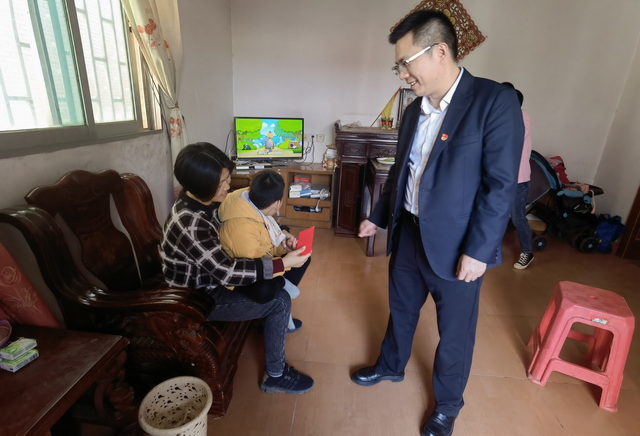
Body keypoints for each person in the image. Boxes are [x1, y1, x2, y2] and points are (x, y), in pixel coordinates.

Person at [351, 10, 524, 436]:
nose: (401, 74)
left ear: (440, 52)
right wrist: (377, 217)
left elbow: (500, 186)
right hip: (409, 232)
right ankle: (391, 365)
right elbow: (402, 172)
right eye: (398, 66)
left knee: (455, 332)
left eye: (405, 63)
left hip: (458, 245)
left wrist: (479, 251)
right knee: (401, 308)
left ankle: (447, 406)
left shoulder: (492, 102)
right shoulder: (414, 111)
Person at [160, 142, 314, 394]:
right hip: (198, 297)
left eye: (227, 178)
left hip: (214, 276)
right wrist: (283, 262)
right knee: (280, 300)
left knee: (279, 279)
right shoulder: (190, 222)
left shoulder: (206, 201)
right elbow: (228, 272)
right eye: (222, 182)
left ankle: (271, 322)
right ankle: (275, 376)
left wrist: (282, 236)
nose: (228, 185)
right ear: (202, 185)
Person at [218, 170, 303, 333]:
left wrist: (284, 246)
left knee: (301, 257)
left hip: (257, 262)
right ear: (277, 203)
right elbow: (256, 266)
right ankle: (282, 290)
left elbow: (267, 239)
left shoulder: (250, 201)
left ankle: (282, 293)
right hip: (241, 275)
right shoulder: (241, 228)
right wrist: (285, 262)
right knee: (265, 290)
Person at [501, 82, 534, 269]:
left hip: (518, 179)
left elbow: (512, 140)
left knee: (518, 217)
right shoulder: (502, 116)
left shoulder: (522, 116)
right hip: (501, 177)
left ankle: (527, 252)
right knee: (495, 213)